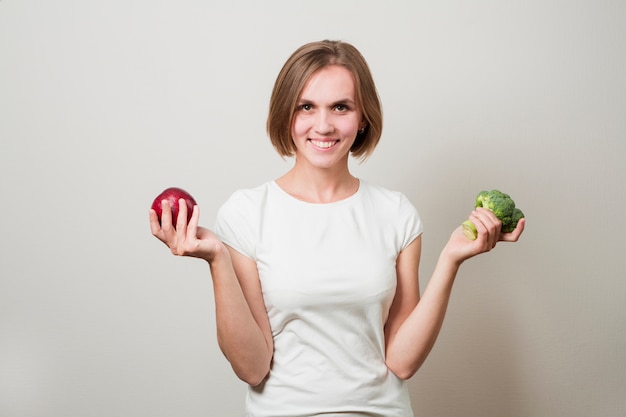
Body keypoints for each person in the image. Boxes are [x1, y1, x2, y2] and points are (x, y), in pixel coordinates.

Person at [149, 40, 525, 417]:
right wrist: (217, 260)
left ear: (363, 118)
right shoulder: (247, 213)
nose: (323, 125)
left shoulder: (395, 214)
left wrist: (451, 260)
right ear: (286, 115)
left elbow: (402, 362)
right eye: (306, 107)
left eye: (340, 107)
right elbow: (252, 367)